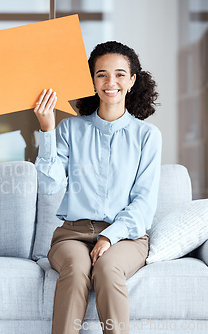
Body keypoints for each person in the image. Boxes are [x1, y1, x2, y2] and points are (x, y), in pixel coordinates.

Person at [34, 41, 161, 334]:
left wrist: (109, 236)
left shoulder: (147, 136)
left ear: (131, 81)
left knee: (107, 269)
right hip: (72, 235)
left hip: (126, 238)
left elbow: (144, 203)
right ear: (92, 81)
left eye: (119, 74)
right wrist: (47, 129)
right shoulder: (70, 129)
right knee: (78, 270)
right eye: (101, 74)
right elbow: (48, 184)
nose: (110, 82)